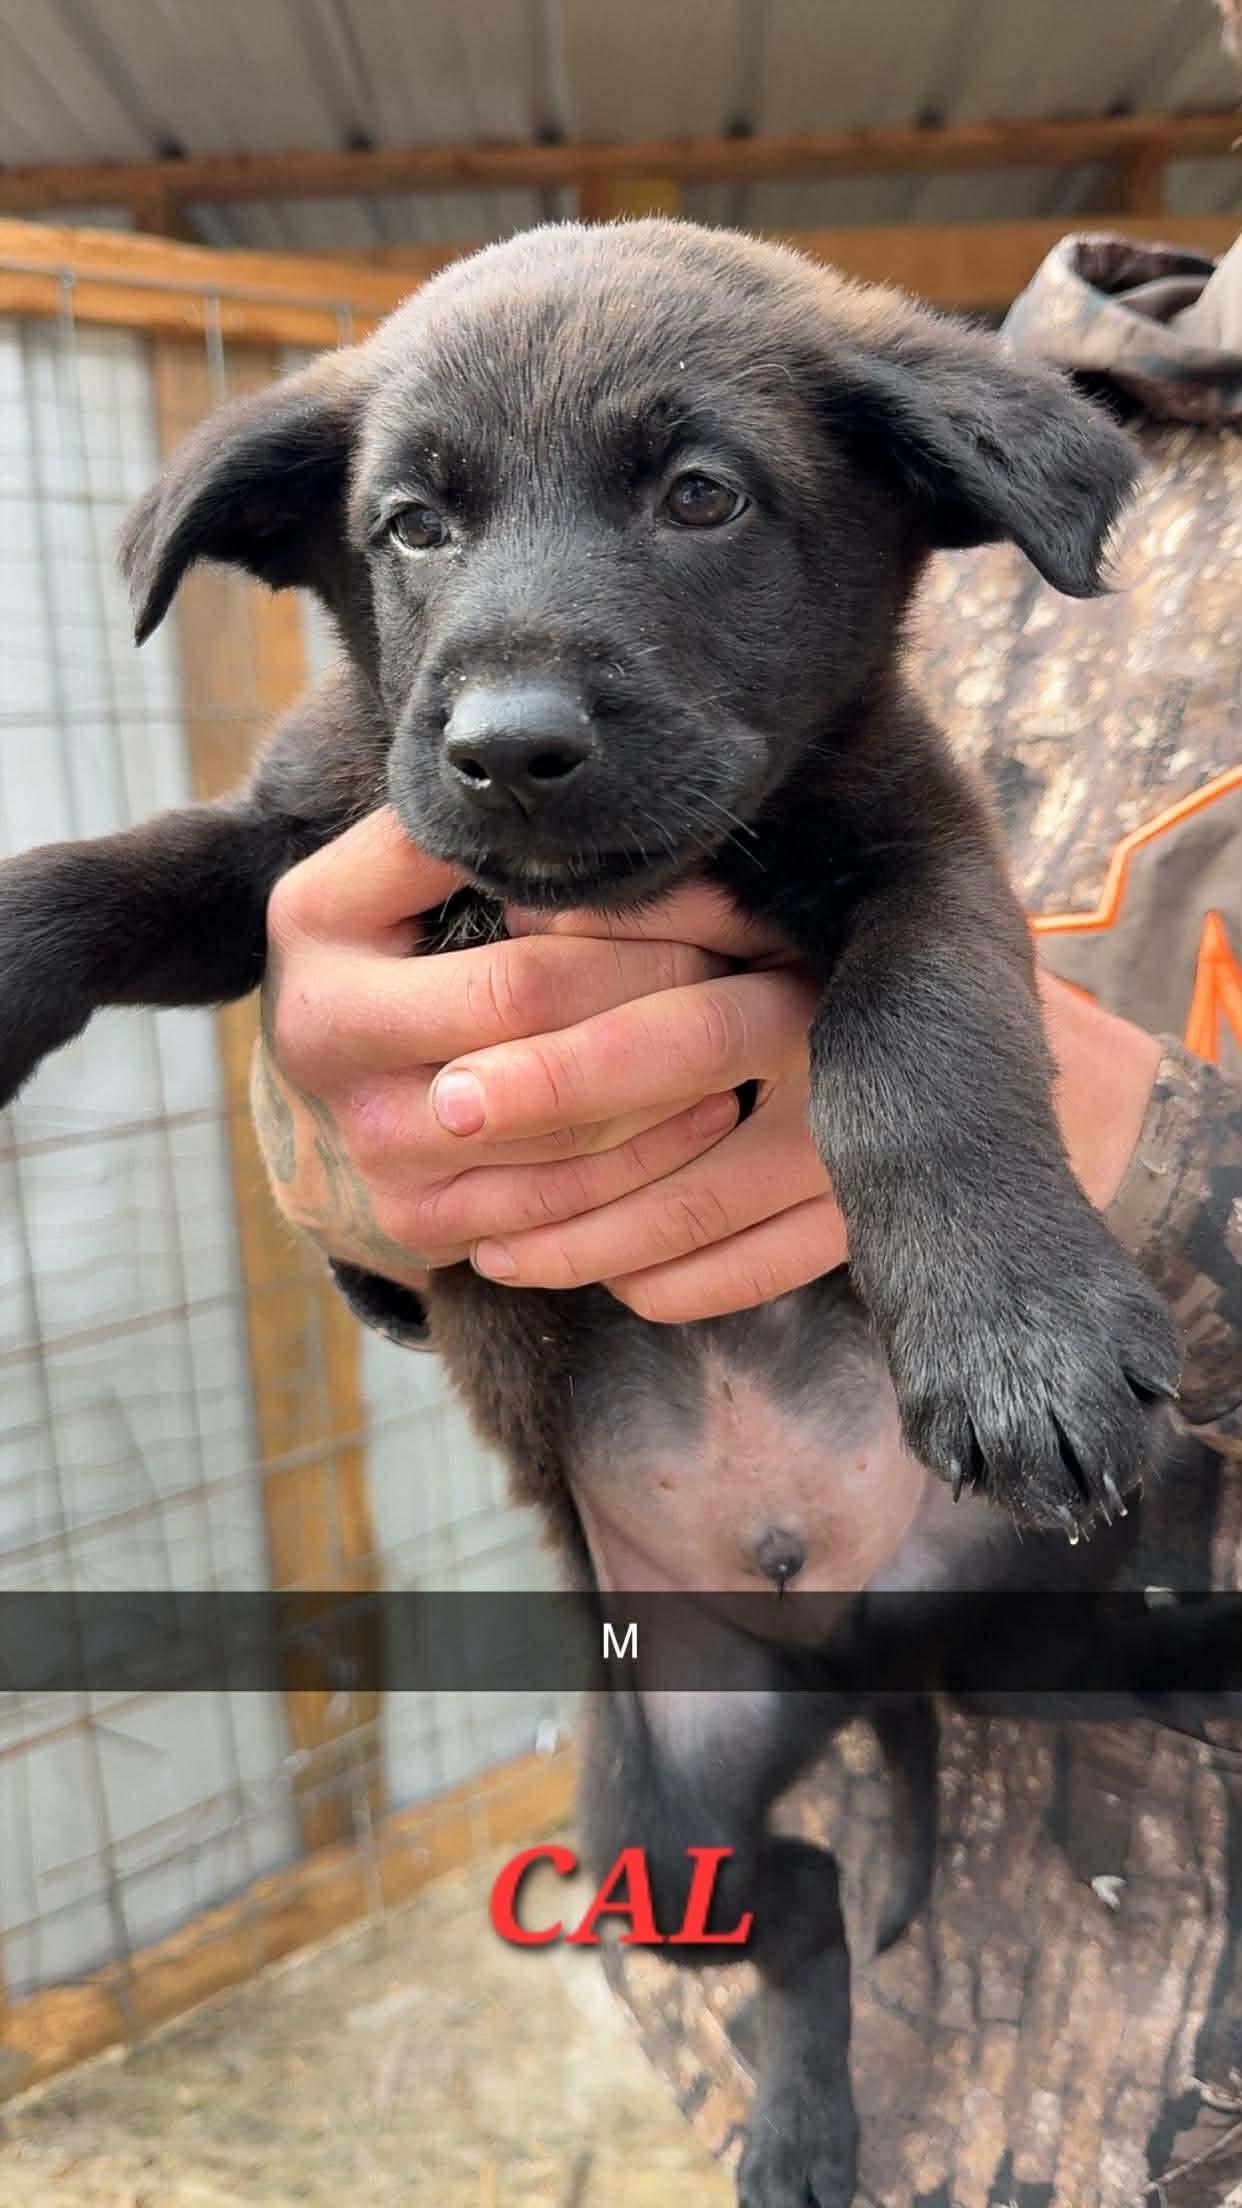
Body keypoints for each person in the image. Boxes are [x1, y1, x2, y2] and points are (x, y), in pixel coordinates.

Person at [251, 228, 1242, 2208]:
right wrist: (387, 1138)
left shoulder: (886, 432)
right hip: (873, 2034)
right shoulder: (905, 406)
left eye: (696, 501)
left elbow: (914, 914)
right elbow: (341, 1033)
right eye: (426, 528)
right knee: (666, 1875)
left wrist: (1132, 1167)